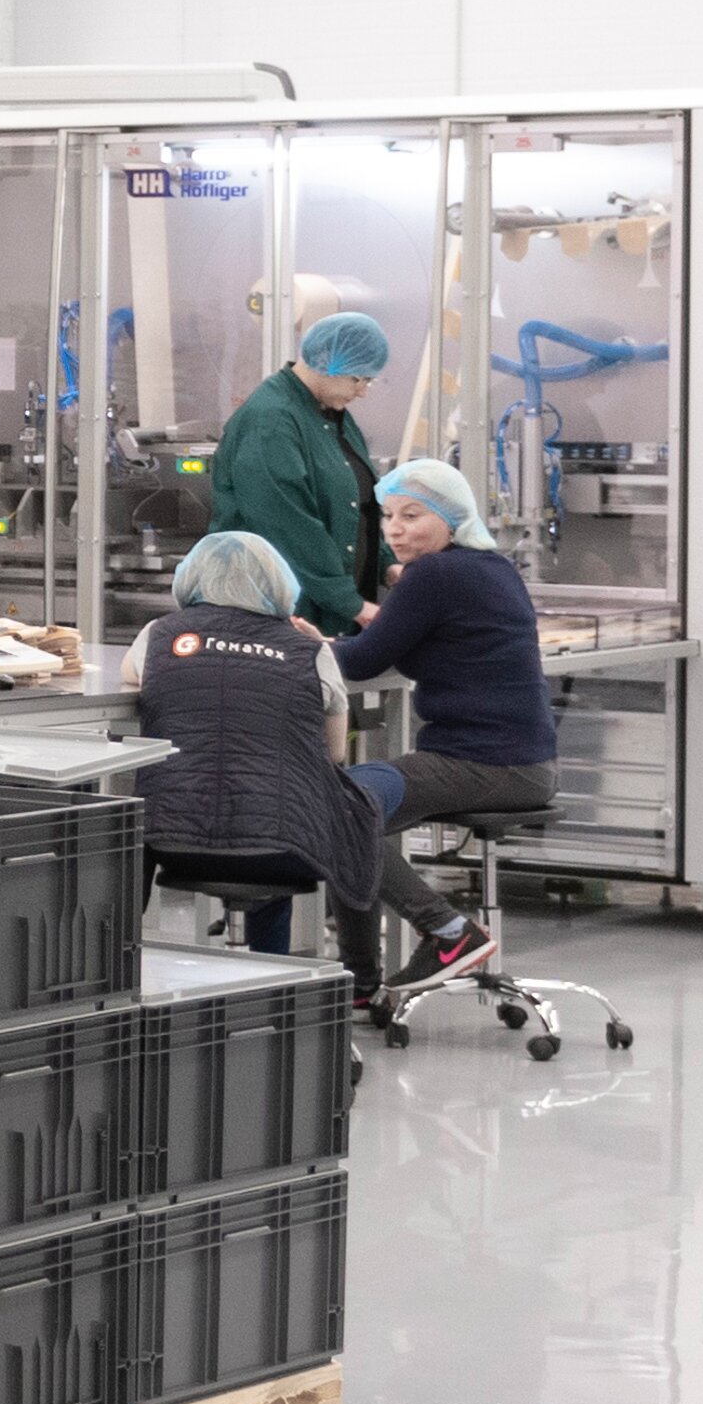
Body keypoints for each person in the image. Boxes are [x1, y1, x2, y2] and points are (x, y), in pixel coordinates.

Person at [130, 528, 469, 999]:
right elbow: (333, 755)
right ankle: (282, 990)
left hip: (170, 842)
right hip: (283, 850)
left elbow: (134, 684)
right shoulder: (311, 651)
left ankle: (137, 985)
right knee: (283, 820)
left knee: (248, 820)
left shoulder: (159, 634)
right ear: (279, 583)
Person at [330, 461, 555, 917]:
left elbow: (361, 660)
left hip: (483, 764)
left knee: (337, 807)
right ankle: (369, 966)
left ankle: (447, 932)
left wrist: (301, 646)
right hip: (526, 765)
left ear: (453, 519)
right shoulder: (494, 567)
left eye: (411, 516)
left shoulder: (434, 574)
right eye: (387, 515)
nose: (394, 529)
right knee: (351, 813)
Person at [208, 311, 395, 630]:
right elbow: (287, 525)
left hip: (332, 609)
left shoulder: (331, 416)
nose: (363, 391)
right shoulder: (271, 421)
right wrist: (349, 603)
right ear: (327, 363)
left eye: (369, 381)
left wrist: (387, 564)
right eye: (358, 379)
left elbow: (354, 509)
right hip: (282, 612)